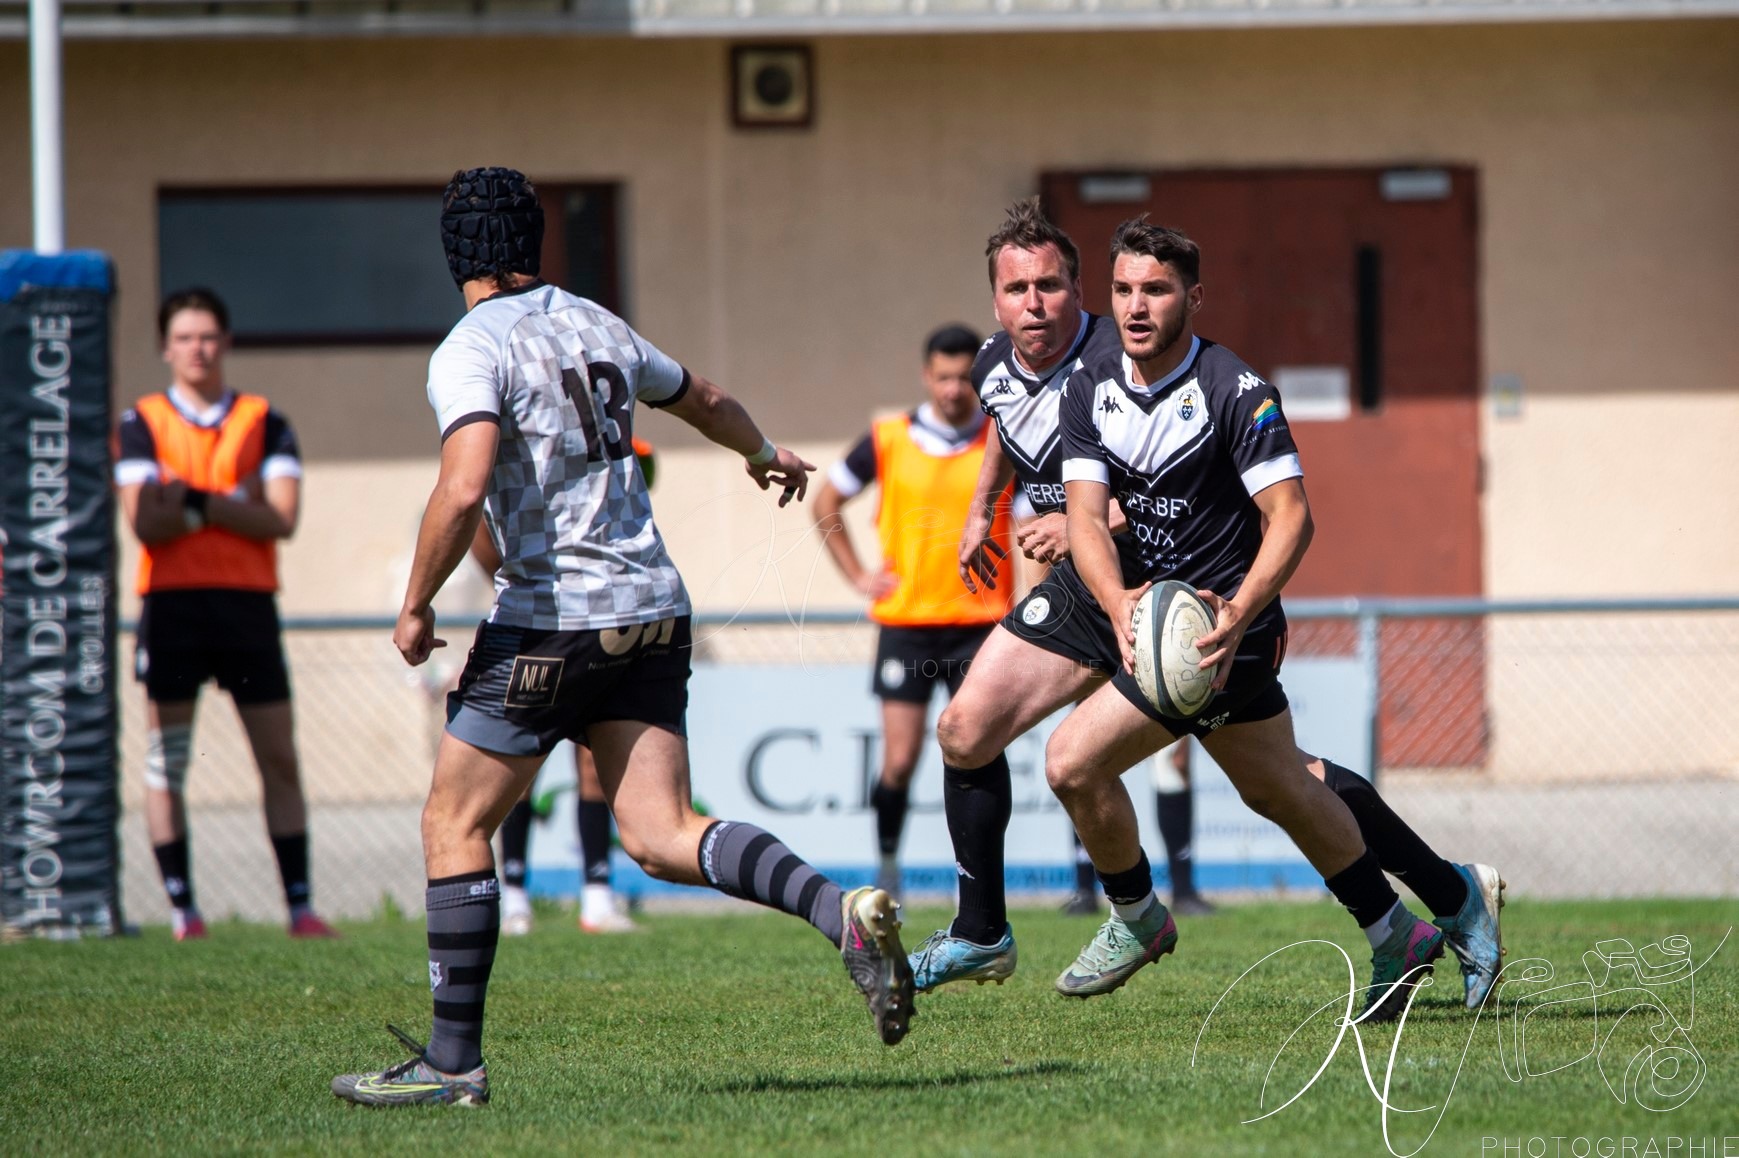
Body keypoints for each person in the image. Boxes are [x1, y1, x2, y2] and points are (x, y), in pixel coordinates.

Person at [332, 168, 914, 1107]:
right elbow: (705, 396)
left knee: (454, 821)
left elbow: (464, 481)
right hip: (651, 609)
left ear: (455, 256)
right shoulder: (597, 323)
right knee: (658, 832)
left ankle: (451, 1064)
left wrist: (415, 603)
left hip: (549, 620)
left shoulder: (470, 348)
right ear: (534, 243)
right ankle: (833, 908)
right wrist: (766, 455)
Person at [905, 201, 1502, 1022]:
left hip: (1208, 612)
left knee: (1219, 780)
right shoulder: (1059, 380)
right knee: (967, 728)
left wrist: (1235, 609)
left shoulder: (1225, 385)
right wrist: (1092, 586)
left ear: (1189, 296)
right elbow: (1076, 498)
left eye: (1150, 289)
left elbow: (1285, 516)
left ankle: (1167, 917)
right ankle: (992, 930)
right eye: (1124, 289)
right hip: (1109, 590)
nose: (1133, 305)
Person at [113, 289, 338, 943]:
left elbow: (282, 518)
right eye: (184, 338)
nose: (198, 349)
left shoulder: (266, 421)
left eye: (208, 336)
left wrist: (191, 500)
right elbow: (144, 524)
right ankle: (184, 914)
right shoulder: (142, 422)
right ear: (165, 347)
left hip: (246, 607)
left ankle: (300, 908)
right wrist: (233, 504)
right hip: (172, 607)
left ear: (227, 342)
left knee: (279, 760)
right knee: (166, 762)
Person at [811, 325, 1015, 899]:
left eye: (963, 378)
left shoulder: (1003, 442)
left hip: (981, 624)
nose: (954, 389)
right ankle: (888, 866)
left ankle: (977, 878)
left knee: (977, 753)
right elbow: (824, 502)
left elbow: (1031, 526)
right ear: (927, 376)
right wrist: (858, 576)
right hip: (906, 626)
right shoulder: (887, 438)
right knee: (899, 760)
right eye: (943, 377)